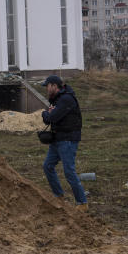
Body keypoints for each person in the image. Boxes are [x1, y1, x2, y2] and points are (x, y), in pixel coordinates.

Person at [40, 74, 88, 210]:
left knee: (69, 171)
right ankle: (58, 195)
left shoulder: (66, 99)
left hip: (68, 140)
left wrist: (45, 113)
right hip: (58, 139)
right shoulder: (57, 99)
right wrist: (48, 115)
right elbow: (50, 117)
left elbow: (50, 118)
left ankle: (82, 203)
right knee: (48, 166)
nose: (46, 89)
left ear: (54, 86)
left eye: (47, 86)